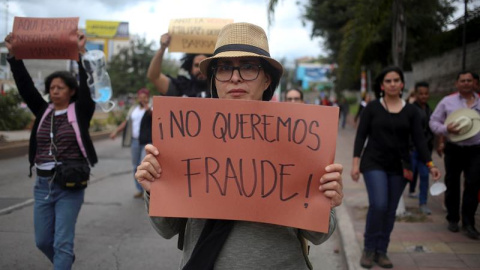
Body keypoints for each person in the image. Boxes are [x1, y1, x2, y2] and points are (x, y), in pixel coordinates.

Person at [135, 22, 344, 270]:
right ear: (214, 80)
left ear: (267, 79)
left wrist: (327, 199)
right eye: (224, 68)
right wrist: (154, 188)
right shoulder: (186, 137)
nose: (235, 77)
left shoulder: (300, 137)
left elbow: (320, 235)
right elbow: (167, 228)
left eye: (248, 67)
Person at [5, 32, 98, 269]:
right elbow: (25, 87)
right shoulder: (43, 111)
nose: (55, 91)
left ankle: (63, 259)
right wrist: (14, 58)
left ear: (71, 91)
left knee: (62, 242)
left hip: (70, 186)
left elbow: (89, 89)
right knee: (42, 241)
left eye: (61, 87)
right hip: (42, 186)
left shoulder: (80, 111)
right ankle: (64, 260)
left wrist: (80, 55)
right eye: (52, 87)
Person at [351, 66, 441, 269]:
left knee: (390, 210)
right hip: (374, 162)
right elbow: (360, 137)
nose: (392, 84)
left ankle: (381, 251)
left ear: (402, 84)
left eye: (396, 80)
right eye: (388, 81)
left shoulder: (412, 112)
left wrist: (431, 164)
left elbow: (420, 140)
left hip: (400, 166)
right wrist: (355, 164)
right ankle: (369, 248)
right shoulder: (372, 108)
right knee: (379, 205)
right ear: (382, 85)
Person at [429, 70, 480, 240]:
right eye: (462, 81)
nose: (466, 83)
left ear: (475, 83)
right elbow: (433, 122)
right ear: (457, 84)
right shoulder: (447, 102)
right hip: (454, 148)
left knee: (473, 184)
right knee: (452, 182)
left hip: (475, 149)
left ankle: (469, 222)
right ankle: (453, 218)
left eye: (469, 80)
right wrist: (445, 129)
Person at [110, 88, 152, 198]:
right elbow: (126, 122)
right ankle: (139, 189)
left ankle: (146, 190)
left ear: (147, 97)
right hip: (135, 141)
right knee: (135, 166)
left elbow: (155, 117)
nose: (142, 99)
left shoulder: (151, 108)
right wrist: (116, 131)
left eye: (144, 97)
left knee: (144, 165)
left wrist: (147, 106)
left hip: (147, 141)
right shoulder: (134, 109)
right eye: (140, 97)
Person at [147, 33, 211, 98]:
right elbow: (154, 77)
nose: (200, 70)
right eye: (196, 65)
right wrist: (162, 48)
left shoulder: (219, 89)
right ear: (190, 69)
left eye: (204, 65)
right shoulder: (181, 87)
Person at [406, 82, 435, 215]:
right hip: (411, 150)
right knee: (406, 176)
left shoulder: (429, 110)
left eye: (426, 93)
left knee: (424, 176)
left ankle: (423, 203)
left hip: (425, 151)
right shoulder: (410, 109)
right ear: (416, 94)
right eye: (421, 93)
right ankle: (397, 204)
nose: (423, 96)